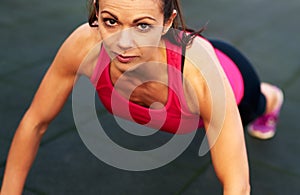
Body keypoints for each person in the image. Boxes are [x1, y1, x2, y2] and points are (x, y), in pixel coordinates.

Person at [0, 0, 284, 194]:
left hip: (234, 78)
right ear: (96, 13)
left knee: (256, 106)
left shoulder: (199, 74)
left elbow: (237, 183)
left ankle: (271, 98)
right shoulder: (84, 46)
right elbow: (34, 123)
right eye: (110, 21)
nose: (123, 43)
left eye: (142, 26)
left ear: (167, 22)